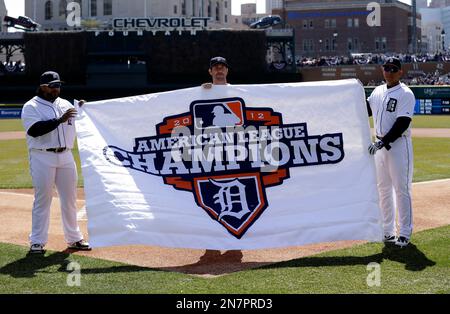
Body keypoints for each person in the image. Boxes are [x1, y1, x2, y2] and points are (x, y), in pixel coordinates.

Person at [21, 71, 91, 254]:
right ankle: (37, 241)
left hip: (66, 156)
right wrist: (60, 120)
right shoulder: (31, 106)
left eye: (58, 85)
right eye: (53, 85)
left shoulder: (65, 104)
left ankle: (74, 238)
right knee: (43, 199)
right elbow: (34, 130)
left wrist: (84, 109)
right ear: (43, 87)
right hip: (42, 156)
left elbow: (82, 121)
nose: (56, 88)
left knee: (69, 199)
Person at [366, 57, 415, 248]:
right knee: (383, 189)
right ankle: (388, 231)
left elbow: (403, 123)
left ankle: (404, 232)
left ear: (400, 72)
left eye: (394, 69)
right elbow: (365, 110)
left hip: (398, 146)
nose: (390, 71)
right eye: (387, 68)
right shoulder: (377, 91)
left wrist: (383, 142)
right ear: (382, 70)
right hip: (379, 146)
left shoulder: (406, 93)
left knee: (402, 189)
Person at [200, 57, 243, 263]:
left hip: (235, 155)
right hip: (211, 156)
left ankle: (235, 246)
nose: (219, 71)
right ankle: (212, 246)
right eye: (215, 68)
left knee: (236, 197)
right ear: (210, 71)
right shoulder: (202, 92)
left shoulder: (239, 92)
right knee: (210, 198)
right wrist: (201, 91)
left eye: (222, 68)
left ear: (227, 70)